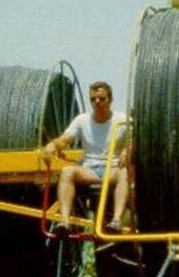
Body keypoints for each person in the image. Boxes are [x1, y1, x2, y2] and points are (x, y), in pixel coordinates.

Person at [42, 81, 130, 232]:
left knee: (125, 173)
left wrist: (127, 151)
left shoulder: (122, 120)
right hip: (90, 169)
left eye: (102, 98)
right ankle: (64, 222)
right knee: (67, 171)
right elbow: (65, 139)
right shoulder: (81, 120)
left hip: (114, 169)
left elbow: (133, 141)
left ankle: (116, 221)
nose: (97, 102)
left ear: (110, 100)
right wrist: (54, 145)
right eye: (93, 99)